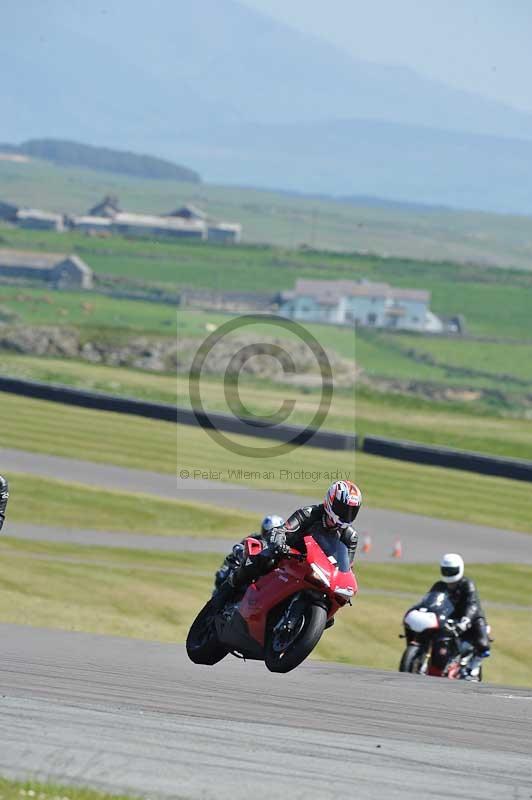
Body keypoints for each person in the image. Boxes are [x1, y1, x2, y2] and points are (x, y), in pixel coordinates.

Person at [213, 480, 362, 608]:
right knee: (258, 558)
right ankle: (224, 594)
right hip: (288, 555)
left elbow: (346, 568)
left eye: (351, 511)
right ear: (331, 501)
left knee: (331, 611)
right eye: (343, 508)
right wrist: (279, 542)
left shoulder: (351, 537)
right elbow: (283, 529)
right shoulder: (309, 513)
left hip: (316, 571)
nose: (346, 514)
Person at [431, 553, 491, 680]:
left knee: (483, 644)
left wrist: (466, 620)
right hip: (448, 618)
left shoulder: (467, 584)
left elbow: (472, 604)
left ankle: (473, 668)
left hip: (472, 619)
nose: (448, 573)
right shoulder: (439, 585)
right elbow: (431, 601)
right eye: (446, 570)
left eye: (451, 571)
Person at [212, 514, 285, 593]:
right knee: (225, 586)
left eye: (277, 532)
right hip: (247, 576)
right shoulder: (254, 539)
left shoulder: (284, 545)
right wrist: (223, 574)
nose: (273, 536)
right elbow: (233, 556)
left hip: (269, 582)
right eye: (270, 532)